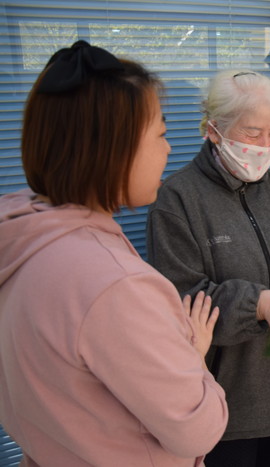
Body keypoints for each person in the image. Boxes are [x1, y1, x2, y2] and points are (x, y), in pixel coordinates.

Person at [0, 41, 228, 466]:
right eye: (159, 134)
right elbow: (200, 429)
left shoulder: (22, 239)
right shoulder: (115, 286)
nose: (169, 149)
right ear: (112, 149)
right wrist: (192, 357)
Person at [146, 70, 270, 467]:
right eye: (253, 133)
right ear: (214, 130)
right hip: (228, 402)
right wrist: (259, 303)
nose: (267, 145)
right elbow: (183, 298)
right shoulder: (178, 200)